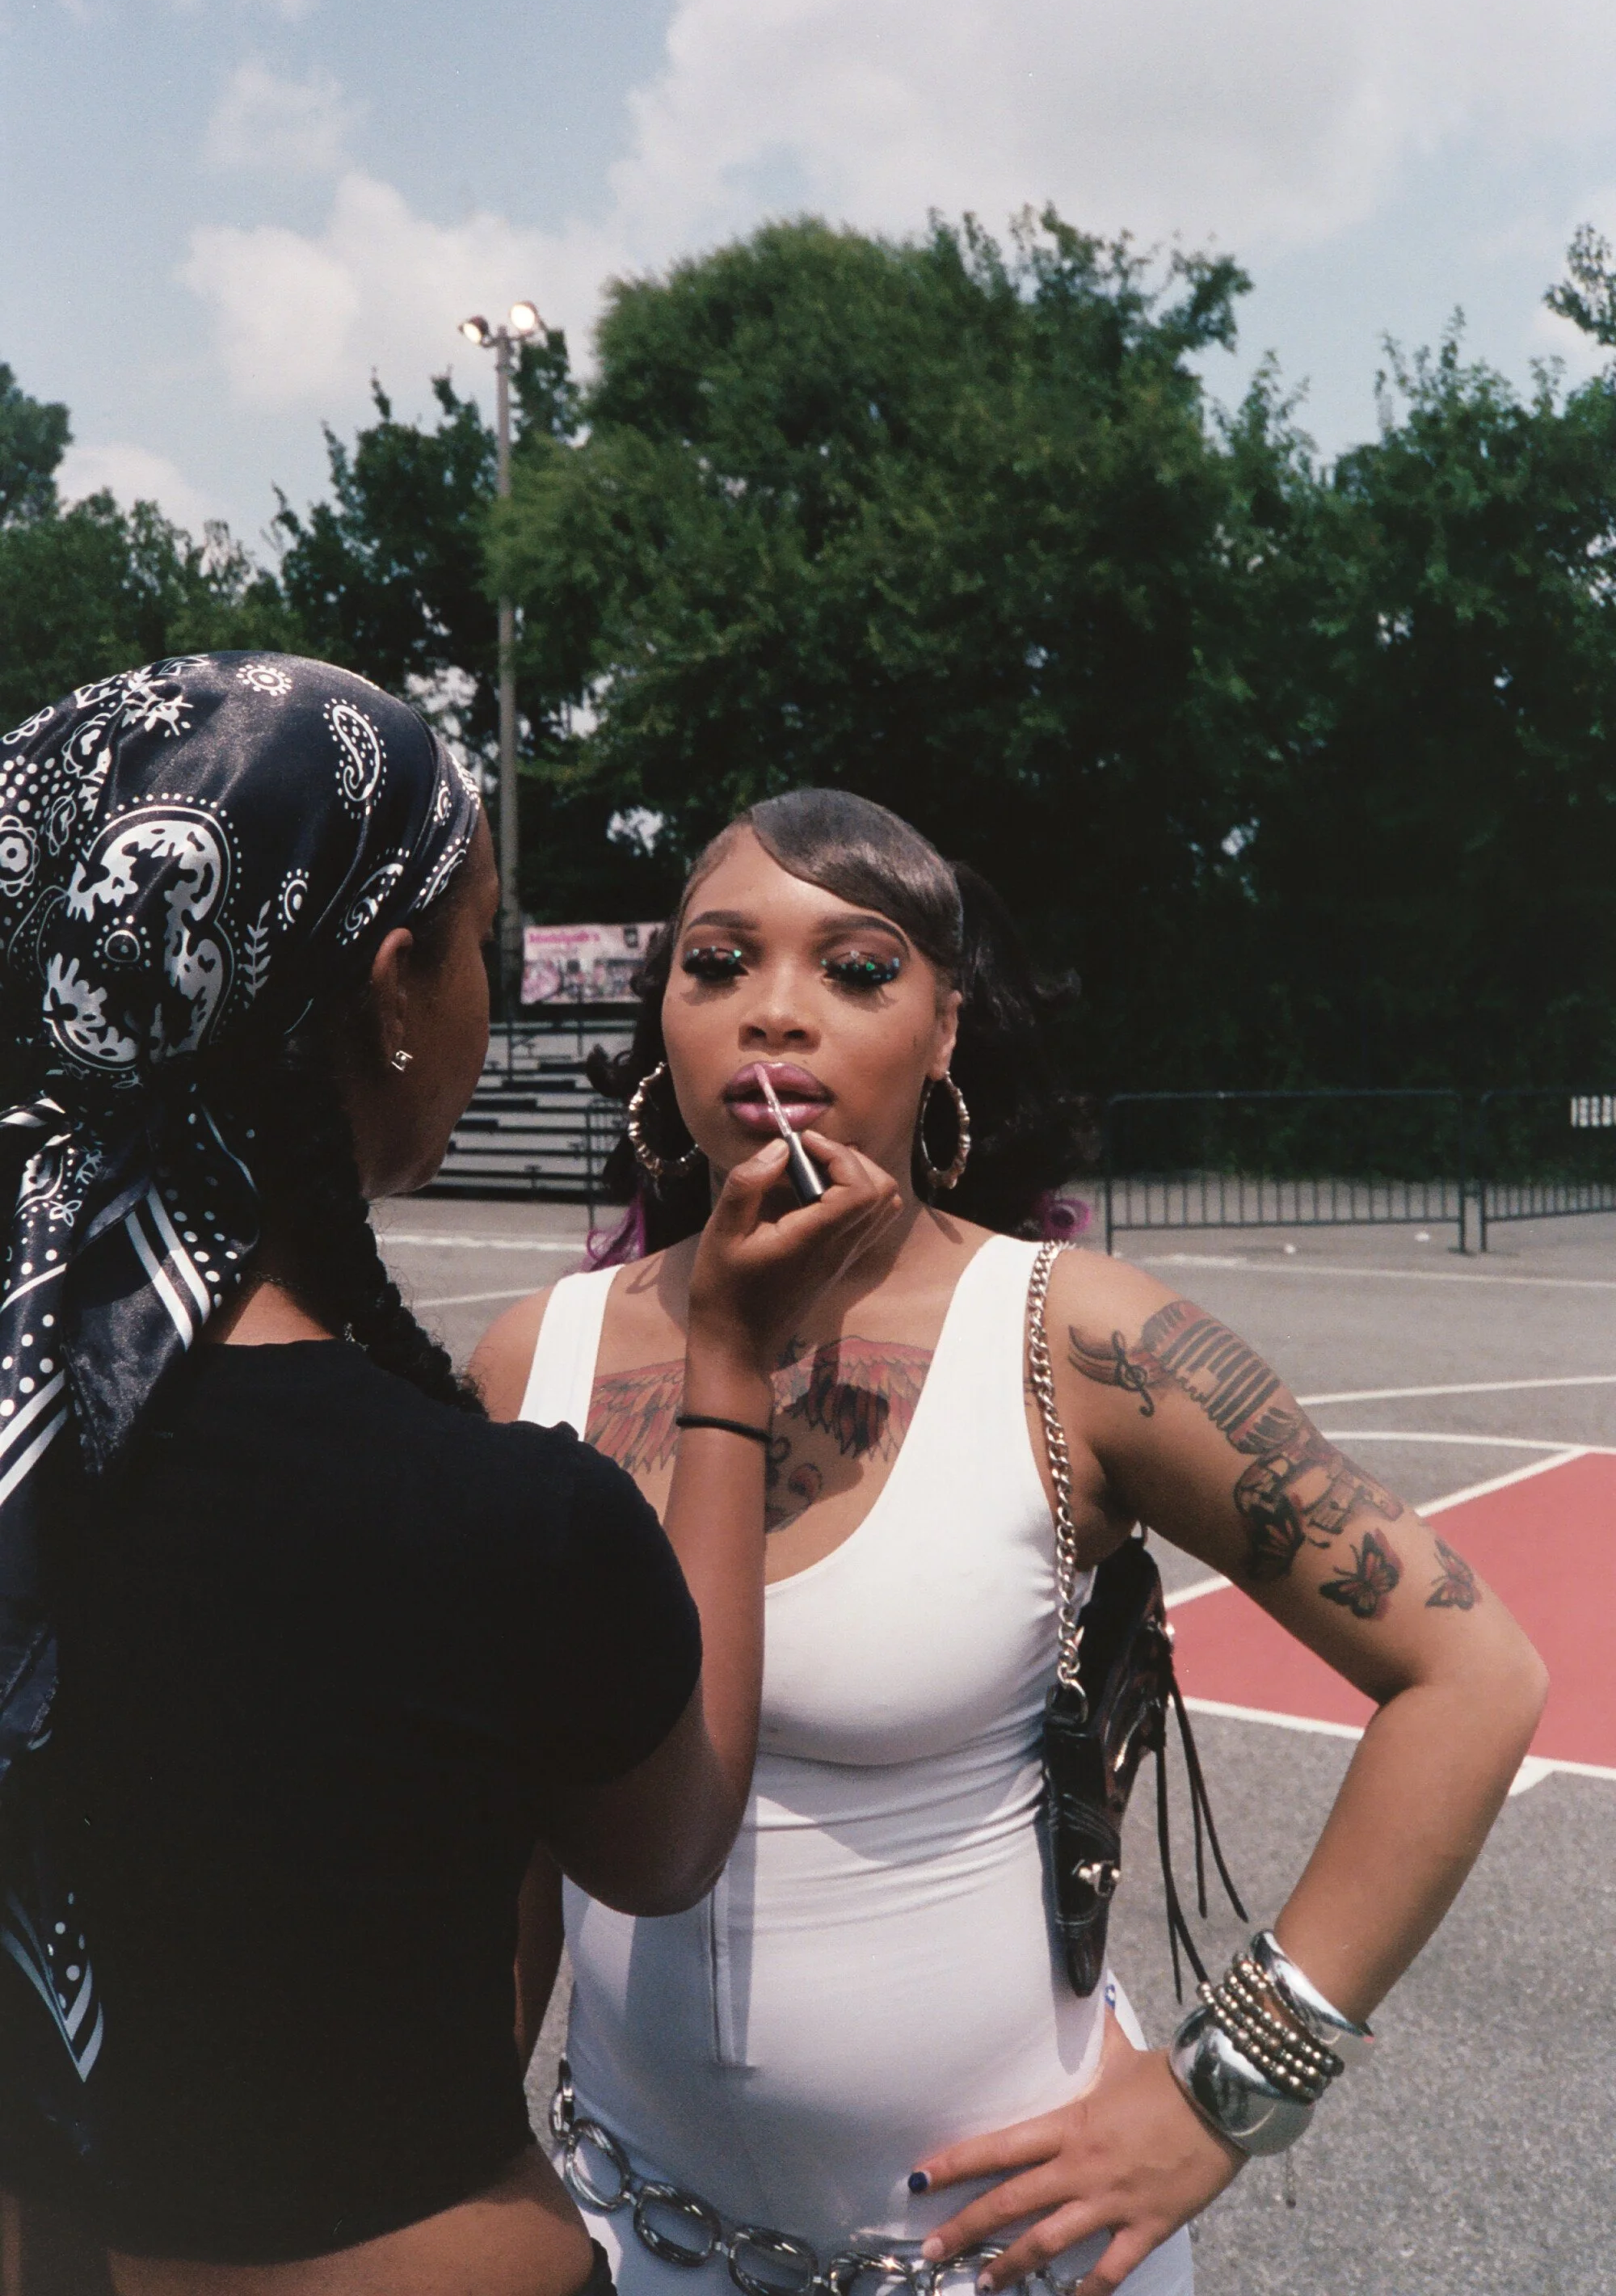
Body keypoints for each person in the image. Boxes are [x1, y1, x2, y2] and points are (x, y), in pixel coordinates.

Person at [474, 787, 1549, 2296]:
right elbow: (515, 1818)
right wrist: (454, 2159)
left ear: (947, 1030)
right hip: (626, 2235)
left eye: (854, 970)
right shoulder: (538, 1359)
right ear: (664, 1018)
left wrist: (1224, 2094)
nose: (772, 1014)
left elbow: (1471, 1670)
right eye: (717, 963)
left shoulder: (1077, 1340)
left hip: (1008, 2260)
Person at [0, 661, 901, 2296]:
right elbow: (668, 1830)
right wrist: (723, 1361)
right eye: (480, 935)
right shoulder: (494, 1517)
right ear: (395, 982)